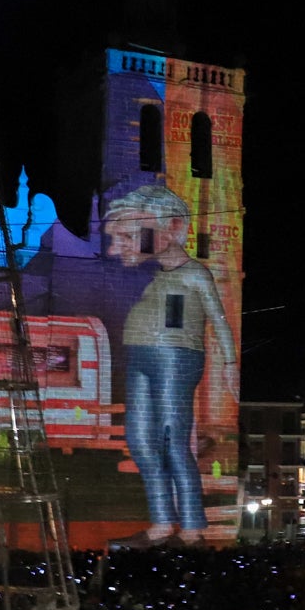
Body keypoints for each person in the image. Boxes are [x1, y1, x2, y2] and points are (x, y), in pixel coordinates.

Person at [102, 185, 236, 547]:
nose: (117, 249)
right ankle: (162, 523)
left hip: (175, 359)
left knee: (173, 442)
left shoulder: (194, 274)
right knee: (140, 440)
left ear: (174, 228)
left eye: (130, 236)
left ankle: (192, 528)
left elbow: (219, 320)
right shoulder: (160, 277)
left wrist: (230, 363)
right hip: (142, 358)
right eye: (116, 240)